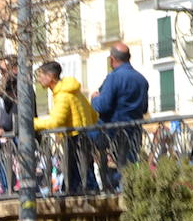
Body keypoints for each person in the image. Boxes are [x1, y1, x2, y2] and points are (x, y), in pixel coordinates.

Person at [89, 42, 149, 190]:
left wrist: (94, 98)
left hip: (112, 131)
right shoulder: (141, 80)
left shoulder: (113, 78)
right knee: (128, 164)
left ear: (112, 59)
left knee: (81, 139)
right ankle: (128, 189)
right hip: (134, 130)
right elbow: (145, 108)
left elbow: (102, 105)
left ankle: (90, 184)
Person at [33, 60, 97, 194]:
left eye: (41, 75)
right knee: (84, 174)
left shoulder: (62, 95)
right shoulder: (73, 91)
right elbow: (93, 114)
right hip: (84, 135)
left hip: (75, 139)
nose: (38, 79)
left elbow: (56, 121)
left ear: (50, 77)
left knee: (79, 178)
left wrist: (32, 124)